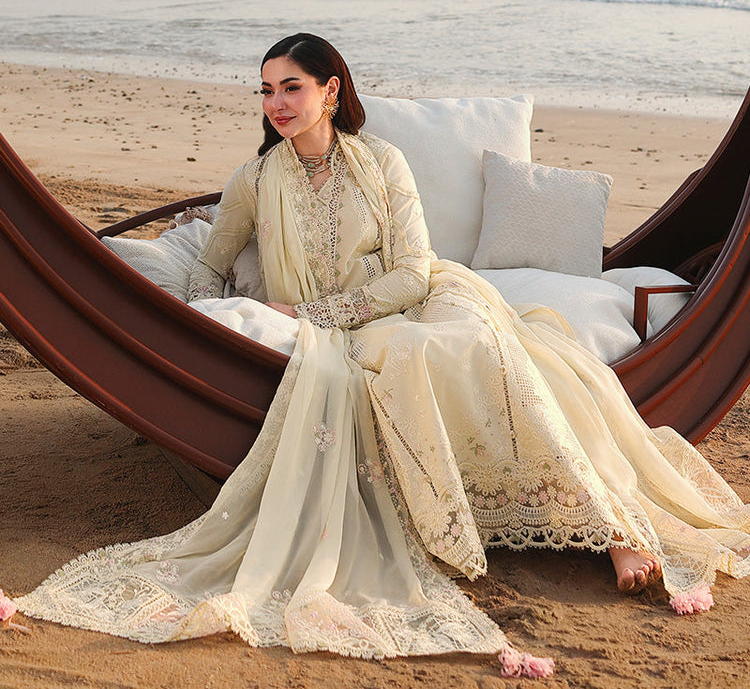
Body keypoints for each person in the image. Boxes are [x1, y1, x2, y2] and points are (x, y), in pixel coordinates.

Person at [17, 33, 750, 675]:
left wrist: (312, 311)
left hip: (420, 296)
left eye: (291, 87)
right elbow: (209, 267)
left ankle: (615, 530)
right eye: (266, 90)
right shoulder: (254, 180)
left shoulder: (383, 163)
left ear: (331, 91)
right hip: (348, 336)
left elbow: (412, 270)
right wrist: (224, 308)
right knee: (412, 359)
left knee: (481, 345)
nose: (276, 103)